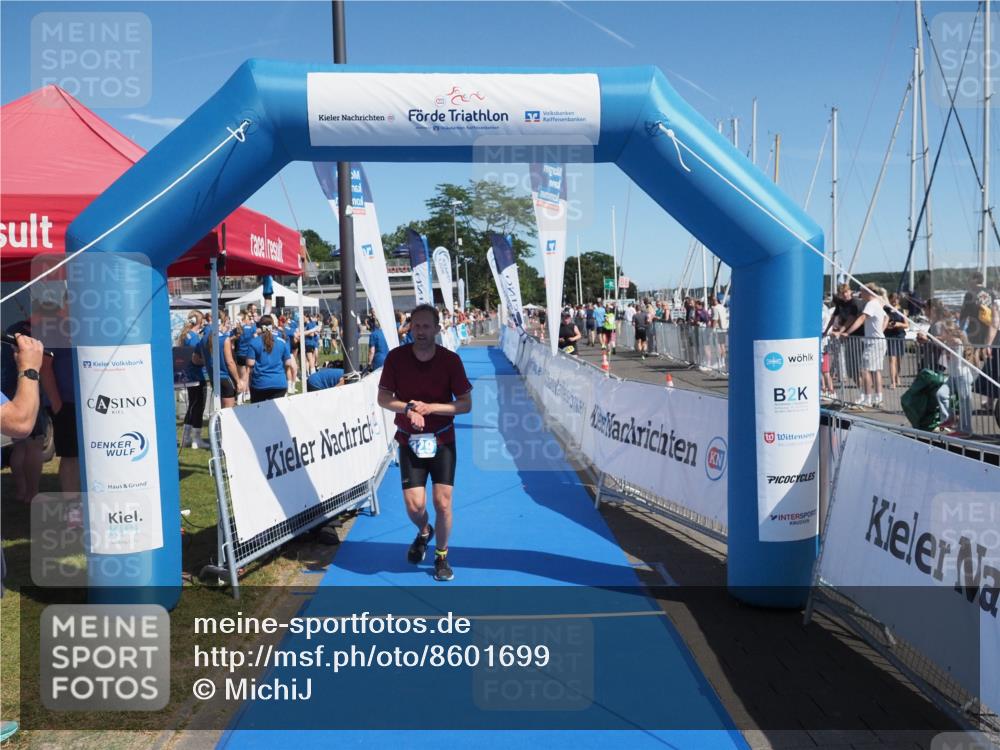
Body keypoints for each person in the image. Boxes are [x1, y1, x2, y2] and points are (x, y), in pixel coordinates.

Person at [377, 304, 472, 582]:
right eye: (416, 325)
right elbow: (383, 399)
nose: (420, 331)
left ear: (437, 329)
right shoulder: (396, 358)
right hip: (409, 440)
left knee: (443, 503)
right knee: (415, 507)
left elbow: (465, 404)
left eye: (426, 326)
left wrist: (432, 408)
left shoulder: (450, 361)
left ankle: (441, 556)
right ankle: (424, 531)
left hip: (442, 439)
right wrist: (408, 409)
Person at [837, 285, 888, 408]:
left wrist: (847, 332)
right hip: (879, 340)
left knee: (864, 370)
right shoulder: (878, 303)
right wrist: (881, 330)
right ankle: (878, 398)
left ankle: (867, 399)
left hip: (873, 342)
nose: (860, 294)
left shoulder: (871, 304)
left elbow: (862, 318)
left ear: (867, 292)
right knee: (876, 371)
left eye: (862, 292)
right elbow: (886, 317)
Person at [246, 315, 297, 402]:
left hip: (260, 383)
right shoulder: (282, 342)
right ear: (273, 325)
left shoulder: (254, 342)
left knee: (259, 410)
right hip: (279, 383)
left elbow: (250, 363)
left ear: (260, 326)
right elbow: (288, 363)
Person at [177, 311, 208, 448]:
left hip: (189, 376)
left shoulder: (186, 335)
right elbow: (196, 359)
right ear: (199, 321)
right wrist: (208, 361)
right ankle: (196, 439)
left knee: (192, 406)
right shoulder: (194, 338)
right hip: (197, 376)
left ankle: (186, 438)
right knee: (198, 407)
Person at [884, 292, 908, 389]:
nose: (894, 301)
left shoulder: (902, 311)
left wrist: (898, 324)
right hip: (890, 336)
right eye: (892, 300)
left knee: (899, 359)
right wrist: (888, 326)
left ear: (899, 300)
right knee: (891, 359)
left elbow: (907, 325)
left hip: (900, 335)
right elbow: (883, 323)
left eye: (896, 299)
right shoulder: (885, 310)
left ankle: (897, 376)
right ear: (889, 300)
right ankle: (893, 381)